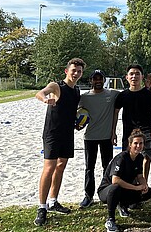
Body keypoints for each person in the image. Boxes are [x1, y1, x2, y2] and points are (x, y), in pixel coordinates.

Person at [34, 58, 85, 226]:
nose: (76, 73)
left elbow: (71, 110)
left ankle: (53, 201)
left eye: (79, 71)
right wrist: (45, 99)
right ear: (66, 71)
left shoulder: (77, 90)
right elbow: (41, 92)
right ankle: (42, 208)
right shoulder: (57, 86)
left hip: (67, 133)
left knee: (61, 166)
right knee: (49, 167)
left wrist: (78, 123)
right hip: (52, 134)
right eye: (73, 70)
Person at [113, 64, 151, 194]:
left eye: (137, 74)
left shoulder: (149, 94)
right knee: (128, 161)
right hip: (129, 133)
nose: (134, 76)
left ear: (141, 76)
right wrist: (113, 132)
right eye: (131, 74)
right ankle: (131, 190)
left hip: (147, 130)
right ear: (127, 77)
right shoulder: (122, 95)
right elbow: (115, 114)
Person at [98, 129, 151, 232]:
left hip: (124, 188)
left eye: (141, 143)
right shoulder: (122, 158)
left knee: (148, 192)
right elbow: (115, 180)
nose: (138, 146)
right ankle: (110, 219)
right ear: (130, 144)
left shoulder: (139, 157)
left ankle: (123, 205)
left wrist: (143, 185)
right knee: (116, 187)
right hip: (107, 190)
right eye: (135, 143)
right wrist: (136, 187)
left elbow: (139, 176)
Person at [79, 69, 120, 209]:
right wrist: (77, 124)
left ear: (104, 80)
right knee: (89, 168)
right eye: (95, 79)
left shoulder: (112, 94)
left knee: (107, 167)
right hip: (90, 137)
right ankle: (88, 196)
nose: (98, 81)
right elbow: (76, 114)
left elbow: (130, 94)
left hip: (106, 137)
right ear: (91, 81)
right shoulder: (84, 97)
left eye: (100, 78)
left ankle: (106, 193)